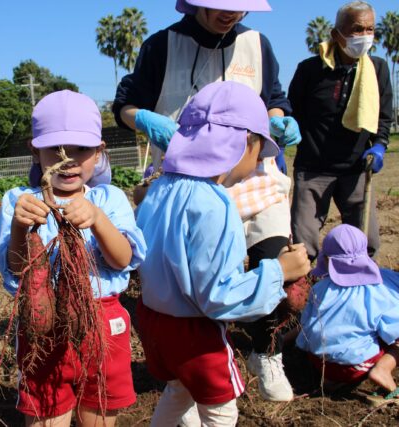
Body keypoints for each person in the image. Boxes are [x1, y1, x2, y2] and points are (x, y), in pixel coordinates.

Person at [113, 0, 302, 402]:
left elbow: (274, 98)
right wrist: (143, 118)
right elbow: (125, 105)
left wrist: (277, 118)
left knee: (271, 253)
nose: (231, 13)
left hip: (251, 171)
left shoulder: (257, 44)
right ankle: (196, 353)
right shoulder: (163, 45)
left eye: (240, 7)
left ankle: (266, 352)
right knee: (197, 275)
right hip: (188, 177)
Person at [135, 81, 310, 426]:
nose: (259, 163)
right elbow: (219, 296)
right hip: (194, 332)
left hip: (154, 321)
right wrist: (279, 271)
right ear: (244, 144)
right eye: (260, 153)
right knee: (221, 410)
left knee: (178, 391)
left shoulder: (159, 189)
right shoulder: (214, 203)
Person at [0, 90, 146, 427]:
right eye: (56, 149)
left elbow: (123, 260)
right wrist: (21, 226)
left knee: (99, 410)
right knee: (46, 410)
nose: (68, 160)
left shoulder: (109, 199)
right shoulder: (20, 201)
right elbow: (18, 269)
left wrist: (98, 219)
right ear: (35, 151)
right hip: (43, 326)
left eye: (81, 149)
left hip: (103, 325)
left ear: (99, 152)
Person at [288, 1, 393, 260]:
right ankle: (305, 283)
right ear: (337, 34)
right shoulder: (310, 69)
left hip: (356, 168)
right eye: (357, 29)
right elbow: (293, 113)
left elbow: (383, 116)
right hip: (313, 168)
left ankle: (360, 278)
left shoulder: (378, 68)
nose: (365, 35)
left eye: (370, 29)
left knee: (366, 242)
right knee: (303, 243)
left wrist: (379, 145)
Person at [296, 224, 399, 403]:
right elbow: (393, 329)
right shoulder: (377, 289)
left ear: (327, 259)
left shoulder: (320, 288)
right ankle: (382, 371)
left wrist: (284, 341)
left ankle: (331, 380)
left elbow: (306, 324)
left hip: (317, 362)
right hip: (352, 366)